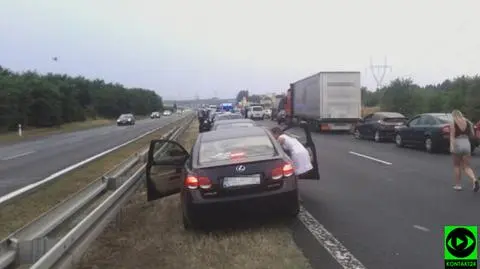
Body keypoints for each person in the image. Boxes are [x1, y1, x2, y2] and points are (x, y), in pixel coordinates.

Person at [450, 110, 479, 192]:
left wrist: (452, 146)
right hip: (466, 143)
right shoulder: (468, 122)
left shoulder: (453, 122)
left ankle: (458, 185)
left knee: (457, 165)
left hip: (458, 143)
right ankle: (474, 180)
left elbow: (452, 136)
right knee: (467, 166)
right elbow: (472, 135)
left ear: (454, 115)